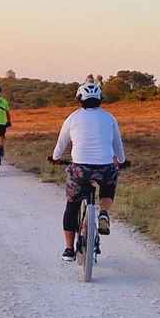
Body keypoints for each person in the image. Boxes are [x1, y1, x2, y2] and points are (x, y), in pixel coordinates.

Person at [50, 78, 125, 260]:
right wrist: (121, 160)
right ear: (100, 99)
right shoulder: (109, 118)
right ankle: (104, 213)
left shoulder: (72, 118)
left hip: (80, 169)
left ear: (79, 99)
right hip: (105, 167)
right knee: (108, 185)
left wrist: (55, 158)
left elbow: (61, 144)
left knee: (72, 205)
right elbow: (117, 145)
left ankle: (69, 249)